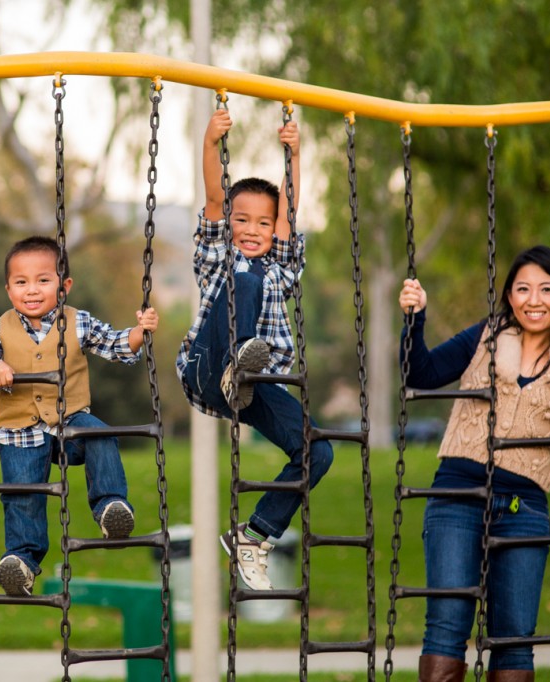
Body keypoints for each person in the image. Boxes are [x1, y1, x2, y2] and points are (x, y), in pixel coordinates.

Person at [398, 245, 550, 682]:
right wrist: (415, 317)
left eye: (546, 289)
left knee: (514, 639)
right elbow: (419, 373)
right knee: (445, 628)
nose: (533, 300)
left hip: (523, 509)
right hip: (456, 498)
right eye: (522, 289)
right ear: (509, 294)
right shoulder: (484, 337)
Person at [175, 109, 333, 591]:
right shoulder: (217, 258)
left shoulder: (282, 271)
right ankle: (235, 360)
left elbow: (290, 211)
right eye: (240, 219)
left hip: (251, 384)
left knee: (318, 450)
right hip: (207, 366)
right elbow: (213, 196)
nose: (250, 228)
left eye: (261, 223)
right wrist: (209, 143)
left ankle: (255, 534)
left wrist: (295, 155)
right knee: (242, 275)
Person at [0, 235, 159, 597]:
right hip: (20, 432)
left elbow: (117, 345)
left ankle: (110, 508)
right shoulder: (0, 328)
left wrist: (140, 332)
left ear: (65, 285)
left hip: (69, 421)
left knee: (101, 435)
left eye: (43, 280)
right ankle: (22, 562)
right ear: (9, 289)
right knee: (23, 495)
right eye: (21, 282)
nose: (32, 290)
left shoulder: (79, 322)